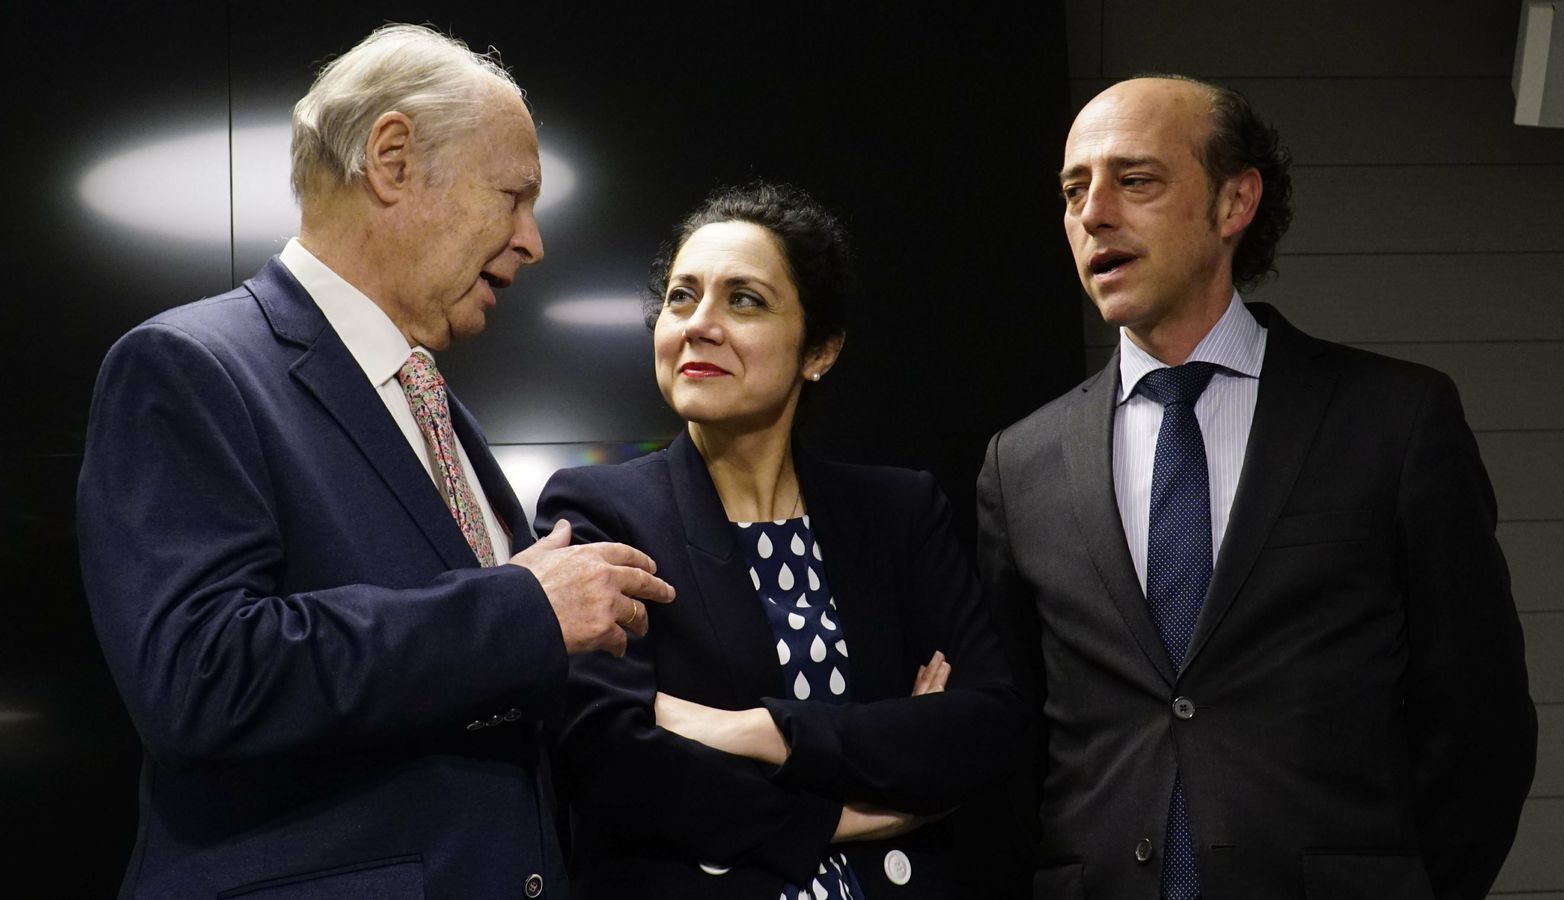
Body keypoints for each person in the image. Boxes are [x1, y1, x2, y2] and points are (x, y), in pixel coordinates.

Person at [76, 24, 673, 900]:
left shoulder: (434, 404)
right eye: (513, 195)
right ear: (392, 160)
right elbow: (199, 678)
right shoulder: (186, 367)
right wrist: (519, 609)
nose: (533, 241)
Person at [977, 75, 1538, 900]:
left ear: (1235, 201)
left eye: (1134, 180)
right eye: (1072, 190)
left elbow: (1479, 722)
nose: (1092, 213)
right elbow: (1012, 742)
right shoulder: (1018, 462)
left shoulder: (1397, 420)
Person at [535, 182, 1024, 899]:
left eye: (744, 300)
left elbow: (984, 728)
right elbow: (612, 761)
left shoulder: (898, 511)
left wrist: (761, 730)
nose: (699, 325)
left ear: (819, 349)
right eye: (681, 297)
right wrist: (851, 809)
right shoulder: (600, 509)